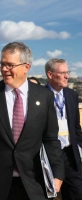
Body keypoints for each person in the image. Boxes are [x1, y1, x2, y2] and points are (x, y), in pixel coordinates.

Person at [0, 42, 64, 200]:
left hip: (33, 182)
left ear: (26, 67)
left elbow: (51, 140)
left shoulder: (44, 96)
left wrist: (57, 173)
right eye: (2, 64)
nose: (4, 69)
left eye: (10, 65)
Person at [45, 58, 82, 200]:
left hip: (70, 154)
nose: (67, 76)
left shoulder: (72, 95)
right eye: (63, 73)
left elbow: (76, 127)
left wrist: (79, 148)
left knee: (77, 194)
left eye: (68, 72)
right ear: (50, 75)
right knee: (47, 194)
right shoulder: (39, 95)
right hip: (49, 156)